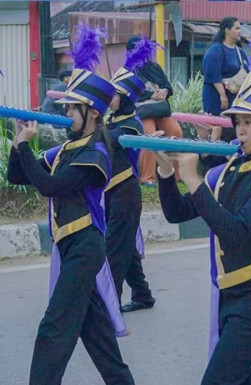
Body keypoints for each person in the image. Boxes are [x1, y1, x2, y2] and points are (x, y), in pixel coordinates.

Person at [156, 7, 251, 382]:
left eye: (249, 122)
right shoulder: (229, 169)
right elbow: (177, 215)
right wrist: (166, 171)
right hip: (230, 293)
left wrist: (194, 179)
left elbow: (236, 231)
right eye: (237, 121)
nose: (239, 129)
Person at [6, 23, 134, 384]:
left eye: (72, 109)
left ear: (92, 113)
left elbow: (49, 186)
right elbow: (18, 177)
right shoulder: (67, 148)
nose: (66, 115)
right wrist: (20, 141)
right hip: (71, 247)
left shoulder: (96, 154)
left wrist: (24, 149)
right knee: (98, 340)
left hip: (85, 246)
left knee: (53, 328)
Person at [108, 36, 157, 313]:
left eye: (113, 94)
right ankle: (143, 295)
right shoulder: (113, 119)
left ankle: (109, 301)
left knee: (114, 250)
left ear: (125, 97)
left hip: (126, 192)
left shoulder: (131, 124)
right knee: (124, 250)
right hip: (111, 192)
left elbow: (113, 140)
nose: (108, 98)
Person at [127, 36, 184, 188]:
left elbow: (168, 86)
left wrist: (164, 91)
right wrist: (150, 94)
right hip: (143, 112)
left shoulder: (154, 67)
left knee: (176, 132)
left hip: (160, 109)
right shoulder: (127, 70)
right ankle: (148, 178)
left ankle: (176, 176)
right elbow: (127, 92)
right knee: (148, 135)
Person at [202, 17, 250, 128]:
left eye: (240, 28)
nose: (239, 31)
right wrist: (222, 96)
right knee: (218, 128)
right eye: (236, 28)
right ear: (227, 30)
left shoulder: (240, 52)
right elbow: (213, 74)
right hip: (217, 98)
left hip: (234, 99)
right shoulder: (216, 50)